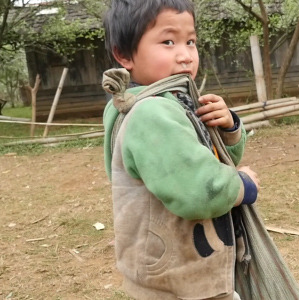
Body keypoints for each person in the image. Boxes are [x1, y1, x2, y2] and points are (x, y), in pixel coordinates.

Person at [102, 1, 260, 299]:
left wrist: (227, 128)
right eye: (168, 41)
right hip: (179, 278)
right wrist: (242, 185)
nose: (186, 55)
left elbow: (207, 162)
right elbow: (198, 190)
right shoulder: (152, 114)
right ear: (124, 55)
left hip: (179, 267)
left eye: (191, 41)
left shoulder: (172, 104)